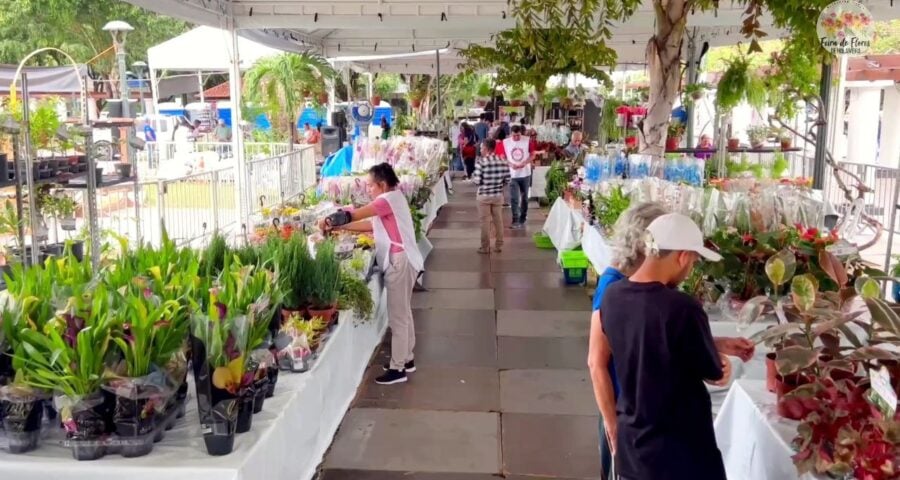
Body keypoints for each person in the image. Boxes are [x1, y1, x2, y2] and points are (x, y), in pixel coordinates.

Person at [587, 204, 755, 480]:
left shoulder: (612, 296)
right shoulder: (682, 307)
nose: (690, 270)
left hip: (634, 443)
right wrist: (721, 364)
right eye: (693, 262)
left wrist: (715, 343)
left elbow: (646, 340)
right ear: (683, 256)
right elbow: (712, 370)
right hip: (678, 451)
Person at [319, 163, 423, 385]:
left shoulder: (387, 200)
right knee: (404, 313)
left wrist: (331, 220)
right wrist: (339, 229)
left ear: (382, 184)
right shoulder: (391, 199)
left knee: (398, 317)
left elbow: (355, 215)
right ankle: (406, 358)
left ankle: (397, 370)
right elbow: (370, 224)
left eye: (370, 185)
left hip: (400, 261)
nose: (367, 189)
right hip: (402, 259)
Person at [472, 139, 510, 254]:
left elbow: (477, 181)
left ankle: (485, 247)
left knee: (485, 222)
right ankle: (498, 245)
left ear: (487, 149)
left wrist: (474, 177)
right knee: (498, 220)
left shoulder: (481, 162)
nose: (480, 150)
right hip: (498, 196)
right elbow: (507, 179)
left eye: (482, 148)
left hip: (483, 196)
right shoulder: (503, 161)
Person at [503, 125, 534, 229]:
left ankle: (523, 217)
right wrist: (510, 164)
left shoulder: (527, 140)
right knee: (514, 197)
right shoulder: (505, 142)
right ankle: (515, 219)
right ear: (511, 134)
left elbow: (533, 154)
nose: (516, 137)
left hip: (525, 173)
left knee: (525, 197)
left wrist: (525, 163)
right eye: (514, 135)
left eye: (518, 135)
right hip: (512, 174)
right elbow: (502, 157)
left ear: (522, 133)